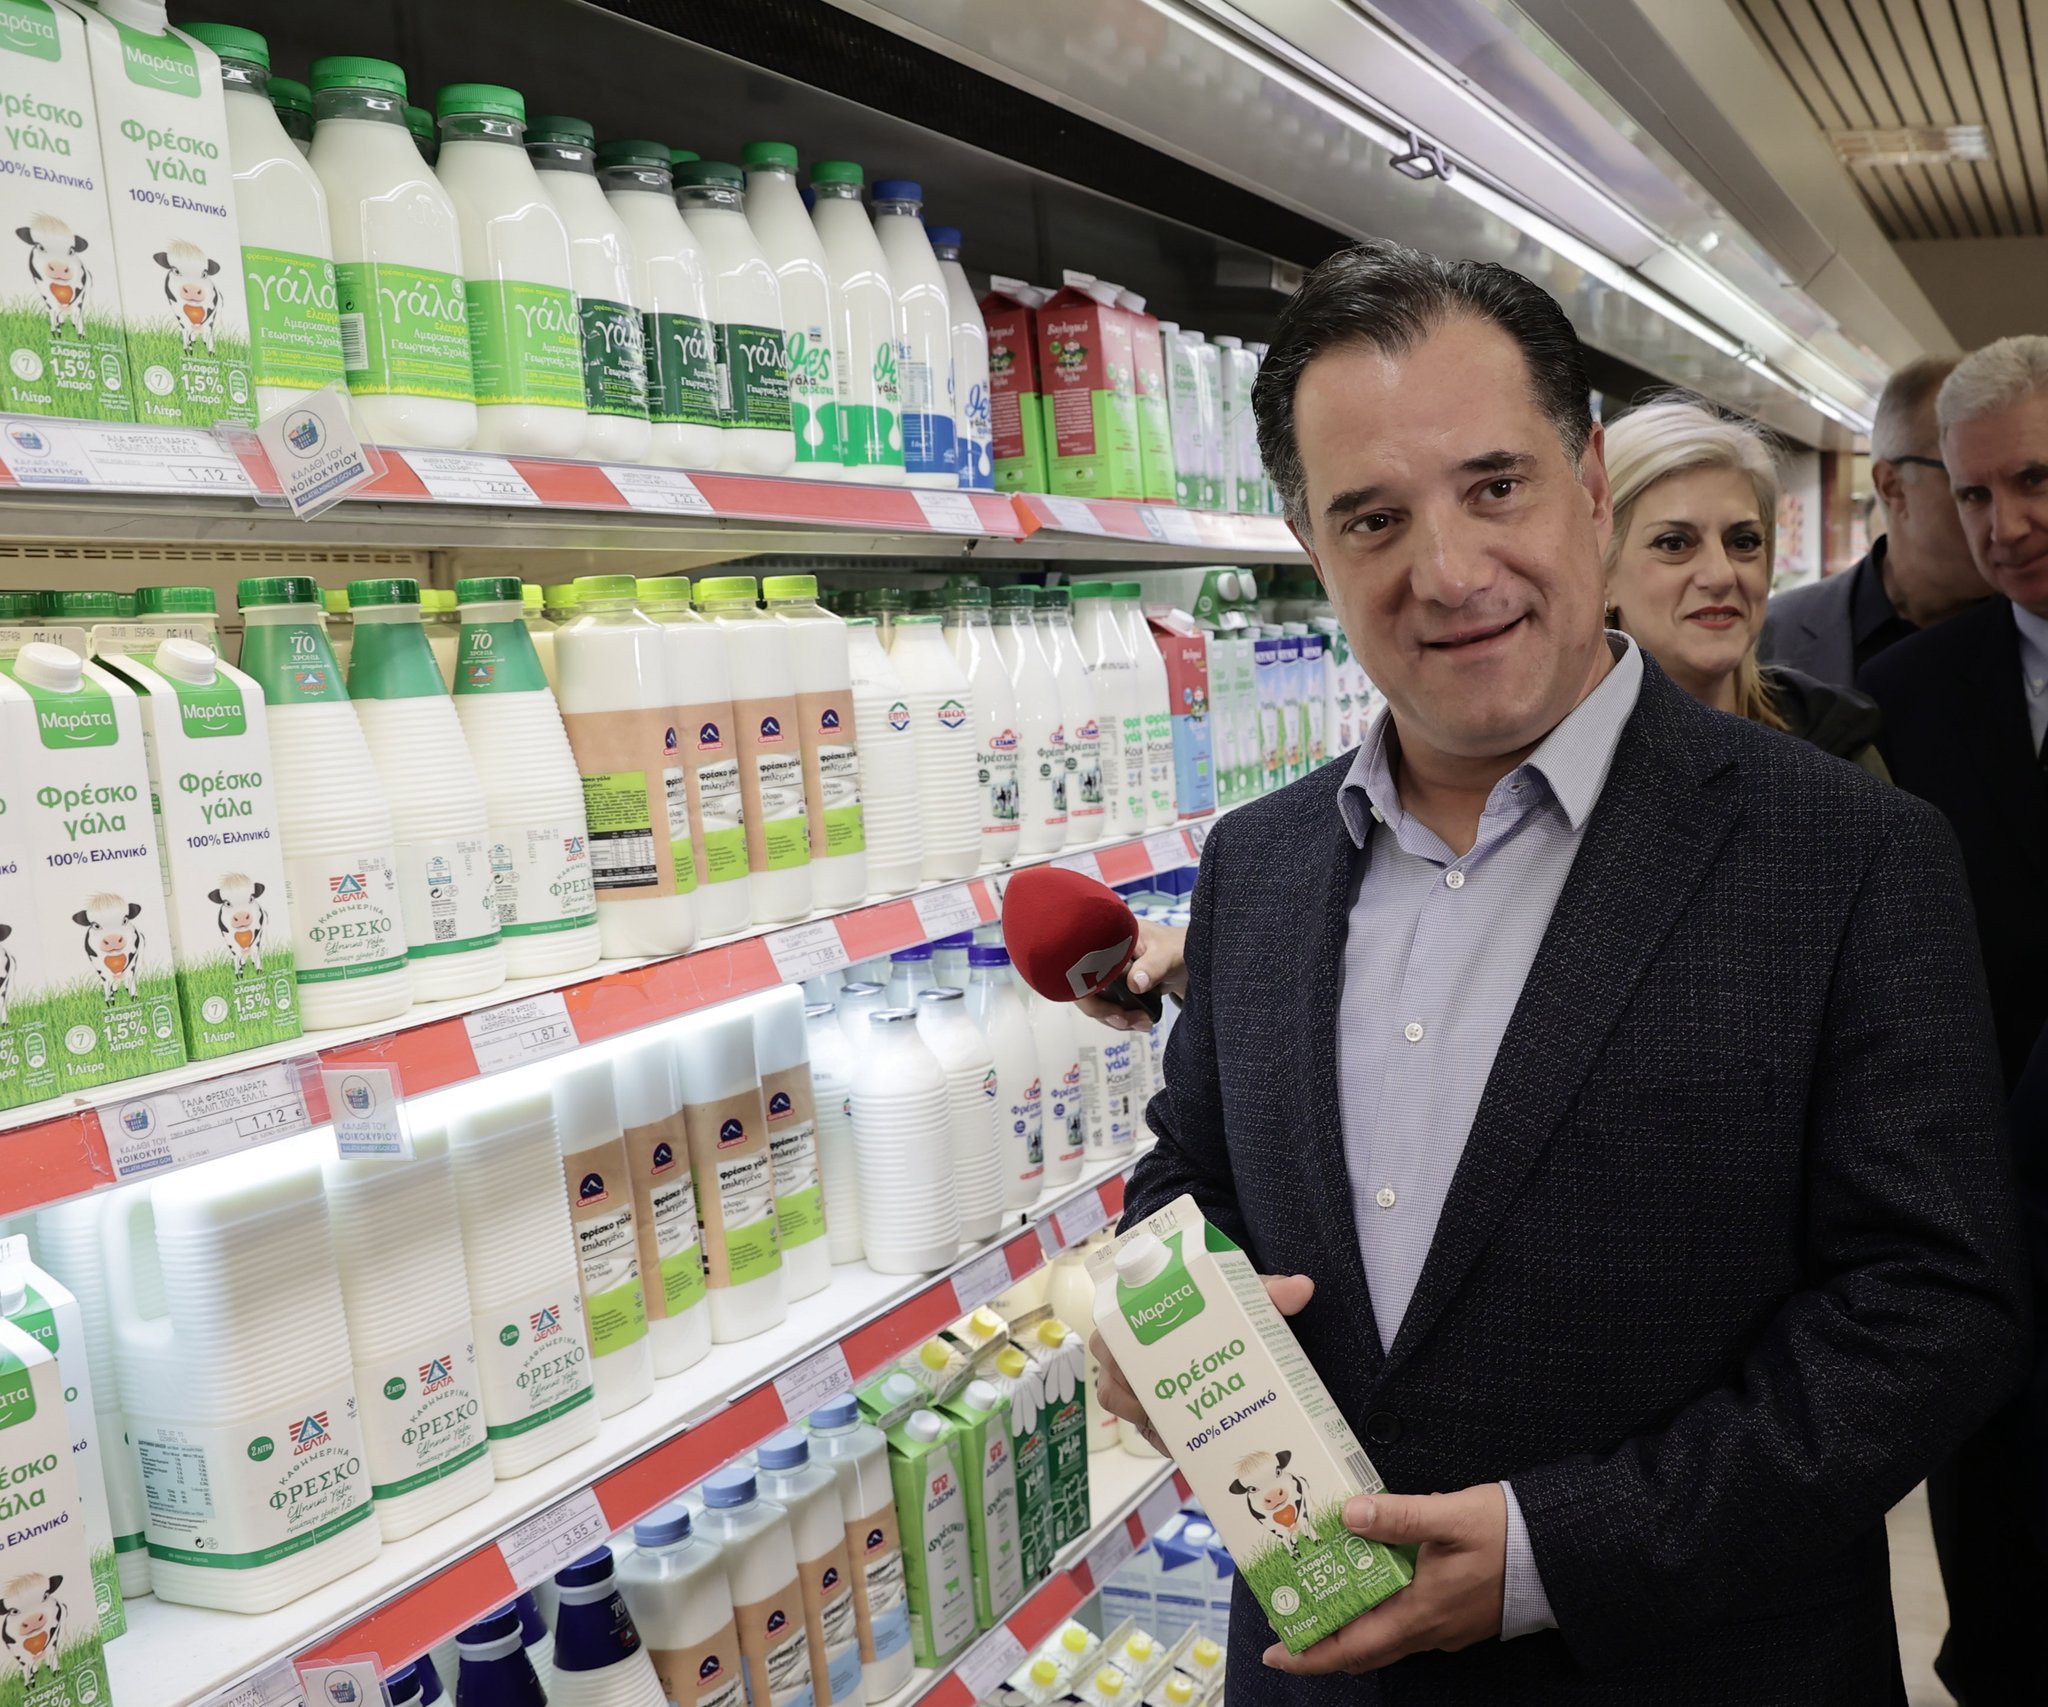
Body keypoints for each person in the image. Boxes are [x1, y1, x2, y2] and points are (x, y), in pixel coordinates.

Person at [1088, 238, 2025, 1705]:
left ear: (1589, 482)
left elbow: (1935, 1307)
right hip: (1314, 1667)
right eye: (1374, 517)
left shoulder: (1847, 853)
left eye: (1495, 486)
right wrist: (1160, 1320)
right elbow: (1186, 1170)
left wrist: (1552, 1550)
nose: (1449, 572)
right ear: (1310, 544)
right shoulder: (1257, 865)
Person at [1858, 336, 2048, 1707]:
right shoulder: (1916, 694)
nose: (2006, 524)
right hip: (1987, 1211)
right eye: (1974, 494)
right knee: (2006, 1578)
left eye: (2036, 481)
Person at [1601, 395, 1886, 774]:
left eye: (1743, 542)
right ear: (1602, 573)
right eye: (1674, 544)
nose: (1721, 575)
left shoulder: (1836, 743)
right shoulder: (1550, 761)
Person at [1759, 355, 1987, 684]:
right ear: (1892, 486)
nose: (2007, 517)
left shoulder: (2035, 633)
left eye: (2027, 481)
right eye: (1971, 486)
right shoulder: (1771, 636)